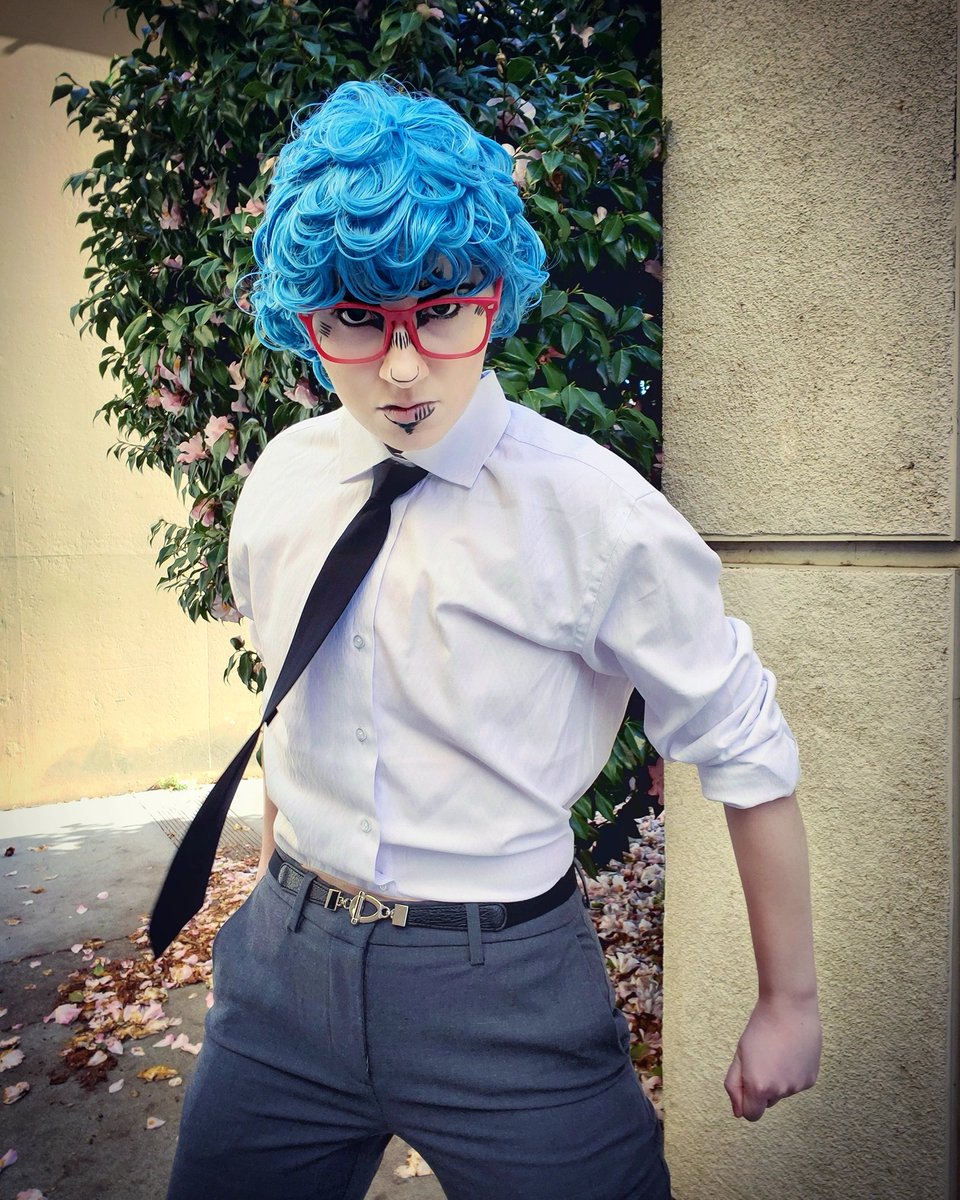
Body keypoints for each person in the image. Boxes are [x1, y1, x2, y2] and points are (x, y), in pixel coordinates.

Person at [165, 79, 821, 1200]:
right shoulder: (282, 483)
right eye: (356, 318)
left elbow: (743, 739)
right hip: (283, 977)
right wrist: (283, 879)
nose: (403, 366)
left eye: (441, 311)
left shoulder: (589, 510)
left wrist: (789, 999)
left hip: (505, 992)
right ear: (304, 316)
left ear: (495, 297)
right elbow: (297, 706)